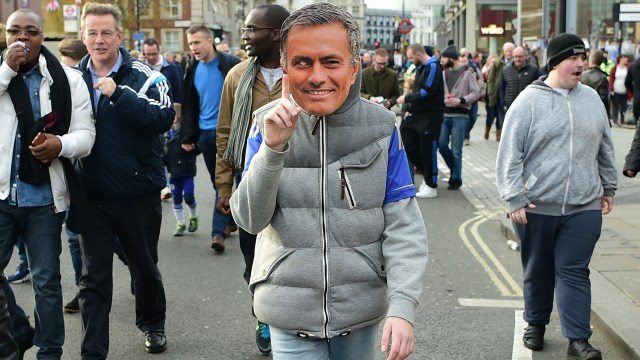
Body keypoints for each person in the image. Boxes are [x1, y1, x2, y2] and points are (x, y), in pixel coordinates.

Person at [230, 3, 428, 359]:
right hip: (288, 311)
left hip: (361, 310)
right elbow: (249, 219)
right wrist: (274, 149)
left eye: (331, 62)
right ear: (287, 69)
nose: (317, 76)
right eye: (303, 62)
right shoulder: (265, 124)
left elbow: (404, 227)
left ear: (353, 70)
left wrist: (402, 307)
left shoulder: (382, 128)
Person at [496, 33, 617, 360]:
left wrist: (609, 187)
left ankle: (578, 339)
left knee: (574, 269)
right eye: (573, 58)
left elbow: (605, 147)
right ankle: (535, 323)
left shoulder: (592, 99)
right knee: (537, 269)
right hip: (536, 205)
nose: (580, 64)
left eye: (583, 58)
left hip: (584, 205)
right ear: (555, 62)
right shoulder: (528, 102)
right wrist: (513, 197)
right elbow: (509, 155)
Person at [77, 2, 175, 357]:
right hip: (92, 199)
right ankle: (93, 351)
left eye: (106, 33)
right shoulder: (73, 79)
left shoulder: (147, 75)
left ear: (119, 36)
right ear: (83, 36)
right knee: (94, 280)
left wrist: (117, 93)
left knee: (144, 269)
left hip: (138, 196)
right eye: (93, 33)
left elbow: (162, 118)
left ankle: (152, 324)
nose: (99, 40)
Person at [0, 8, 95, 359]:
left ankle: (49, 351)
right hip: (2, 194)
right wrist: (7, 70)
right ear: (6, 35)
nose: (22, 38)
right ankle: (21, 329)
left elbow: (86, 135)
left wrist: (60, 145)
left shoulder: (67, 80)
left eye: (31, 31)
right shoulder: (1, 74)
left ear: (43, 37)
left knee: (47, 283)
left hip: (43, 199)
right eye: (14, 31)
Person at [215, 4, 289, 355]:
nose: (245, 36)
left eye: (251, 29)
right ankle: (263, 316)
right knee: (254, 261)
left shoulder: (301, 73)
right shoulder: (237, 76)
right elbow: (225, 133)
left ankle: (289, 321)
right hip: (250, 184)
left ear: (275, 34)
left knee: (290, 258)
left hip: (295, 184)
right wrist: (225, 186)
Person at [181, 24, 241, 252]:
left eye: (197, 42)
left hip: (231, 133)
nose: (194, 47)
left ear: (209, 41)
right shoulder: (192, 67)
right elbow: (189, 105)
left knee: (223, 181)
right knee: (220, 181)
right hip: (206, 135)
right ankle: (231, 220)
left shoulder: (230, 65)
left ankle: (218, 232)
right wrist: (187, 135)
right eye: (190, 44)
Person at [397, 43, 444, 198]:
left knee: (428, 148)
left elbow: (427, 92)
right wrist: (409, 108)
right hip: (418, 113)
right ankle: (426, 175)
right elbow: (419, 91)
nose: (410, 61)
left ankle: (431, 184)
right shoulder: (421, 68)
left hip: (431, 115)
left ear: (418, 54)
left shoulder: (433, 67)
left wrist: (406, 99)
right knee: (407, 142)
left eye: (411, 58)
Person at [143, 38, 184, 200]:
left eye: (153, 54)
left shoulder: (170, 68)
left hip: (167, 114)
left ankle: (168, 180)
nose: (151, 57)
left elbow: (178, 91)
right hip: (147, 115)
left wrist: (177, 115)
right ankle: (163, 185)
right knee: (156, 150)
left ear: (159, 51)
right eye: (148, 54)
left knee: (166, 149)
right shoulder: (140, 68)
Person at [438, 44, 479, 190]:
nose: (442, 60)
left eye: (444, 58)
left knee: (456, 149)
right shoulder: (444, 73)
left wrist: (460, 100)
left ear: (451, 58)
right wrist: (445, 99)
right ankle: (454, 170)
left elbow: (475, 93)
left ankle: (456, 178)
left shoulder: (468, 72)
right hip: (445, 115)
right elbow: (441, 92)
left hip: (460, 116)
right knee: (442, 145)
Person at [166, 115, 199, 237]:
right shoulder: (166, 134)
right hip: (174, 173)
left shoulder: (188, 132)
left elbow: (199, 149)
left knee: (189, 197)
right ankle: (180, 223)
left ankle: (193, 217)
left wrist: (193, 147)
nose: (174, 119)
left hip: (187, 171)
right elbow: (162, 153)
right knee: (177, 199)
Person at [486, 42, 514, 141]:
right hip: (498, 95)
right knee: (496, 116)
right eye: (507, 51)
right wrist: (491, 92)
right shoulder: (498, 63)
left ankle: (503, 136)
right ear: (504, 52)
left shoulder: (517, 63)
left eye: (511, 51)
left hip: (513, 95)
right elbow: (491, 79)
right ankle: (500, 135)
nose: (509, 53)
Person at [500, 46, 541, 112]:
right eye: (516, 56)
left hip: (528, 107)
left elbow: (539, 88)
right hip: (510, 107)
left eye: (520, 56)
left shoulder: (534, 70)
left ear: (525, 56)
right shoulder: (506, 70)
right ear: (513, 57)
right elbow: (502, 88)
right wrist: (503, 103)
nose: (518, 59)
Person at [459, 47, 484, 145]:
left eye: (465, 61)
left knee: (473, 118)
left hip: (473, 99)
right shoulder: (456, 71)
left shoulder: (473, 68)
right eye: (461, 61)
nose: (463, 63)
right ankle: (465, 137)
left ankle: (466, 133)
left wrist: (478, 91)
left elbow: (480, 80)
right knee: (465, 119)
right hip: (462, 100)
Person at [580, 50, 610, 121]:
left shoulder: (582, 76)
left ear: (591, 60)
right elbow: (604, 98)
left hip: (582, 110)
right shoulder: (602, 77)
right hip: (596, 113)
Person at [609, 53, 630, 126]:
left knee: (624, 105)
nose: (626, 59)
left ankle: (622, 119)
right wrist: (611, 89)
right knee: (615, 105)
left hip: (625, 90)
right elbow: (611, 79)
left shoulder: (628, 68)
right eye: (624, 58)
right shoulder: (615, 68)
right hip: (616, 89)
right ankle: (615, 119)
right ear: (620, 59)